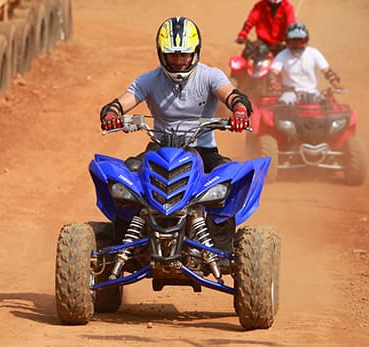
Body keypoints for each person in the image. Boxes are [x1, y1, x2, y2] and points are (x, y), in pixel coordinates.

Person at [99, 16, 253, 255]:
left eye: (185, 55)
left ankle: (223, 252)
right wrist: (113, 112)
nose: (180, 62)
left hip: (202, 150)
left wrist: (240, 110)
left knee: (228, 178)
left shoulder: (210, 76)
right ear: (162, 54)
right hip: (159, 149)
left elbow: (231, 95)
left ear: (195, 53)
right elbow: (123, 101)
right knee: (125, 178)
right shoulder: (149, 79)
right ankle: (123, 249)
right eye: (173, 56)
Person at [269, 22, 344, 105]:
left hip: (312, 93)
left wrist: (336, 85)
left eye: (300, 41)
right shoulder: (282, 55)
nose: (297, 45)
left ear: (306, 40)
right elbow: (274, 72)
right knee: (282, 105)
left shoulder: (314, 53)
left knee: (326, 104)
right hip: (290, 93)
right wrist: (274, 82)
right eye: (293, 42)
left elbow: (327, 71)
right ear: (287, 41)